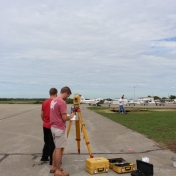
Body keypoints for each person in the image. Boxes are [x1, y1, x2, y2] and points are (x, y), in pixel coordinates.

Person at [50, 86, 74, 176]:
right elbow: (64, 117)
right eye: (67, 96)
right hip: (59, 128)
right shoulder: (62, 102)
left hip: (53, 127)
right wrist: (71, 116)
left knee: (56, 148)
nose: (67, 98)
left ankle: (54, 167)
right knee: (59, 149)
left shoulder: (54, 100)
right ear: (66, 93)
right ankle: (58, 172)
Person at [40, 88, 58, 165]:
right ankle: (52, 160)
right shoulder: (56, 102)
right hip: (53, 126)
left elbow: (42, 114)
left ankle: (44, 157)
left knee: (46, 142)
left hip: (45, 125)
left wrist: (44, 120)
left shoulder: (44, 102)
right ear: (56, 93)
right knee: (52, 143)